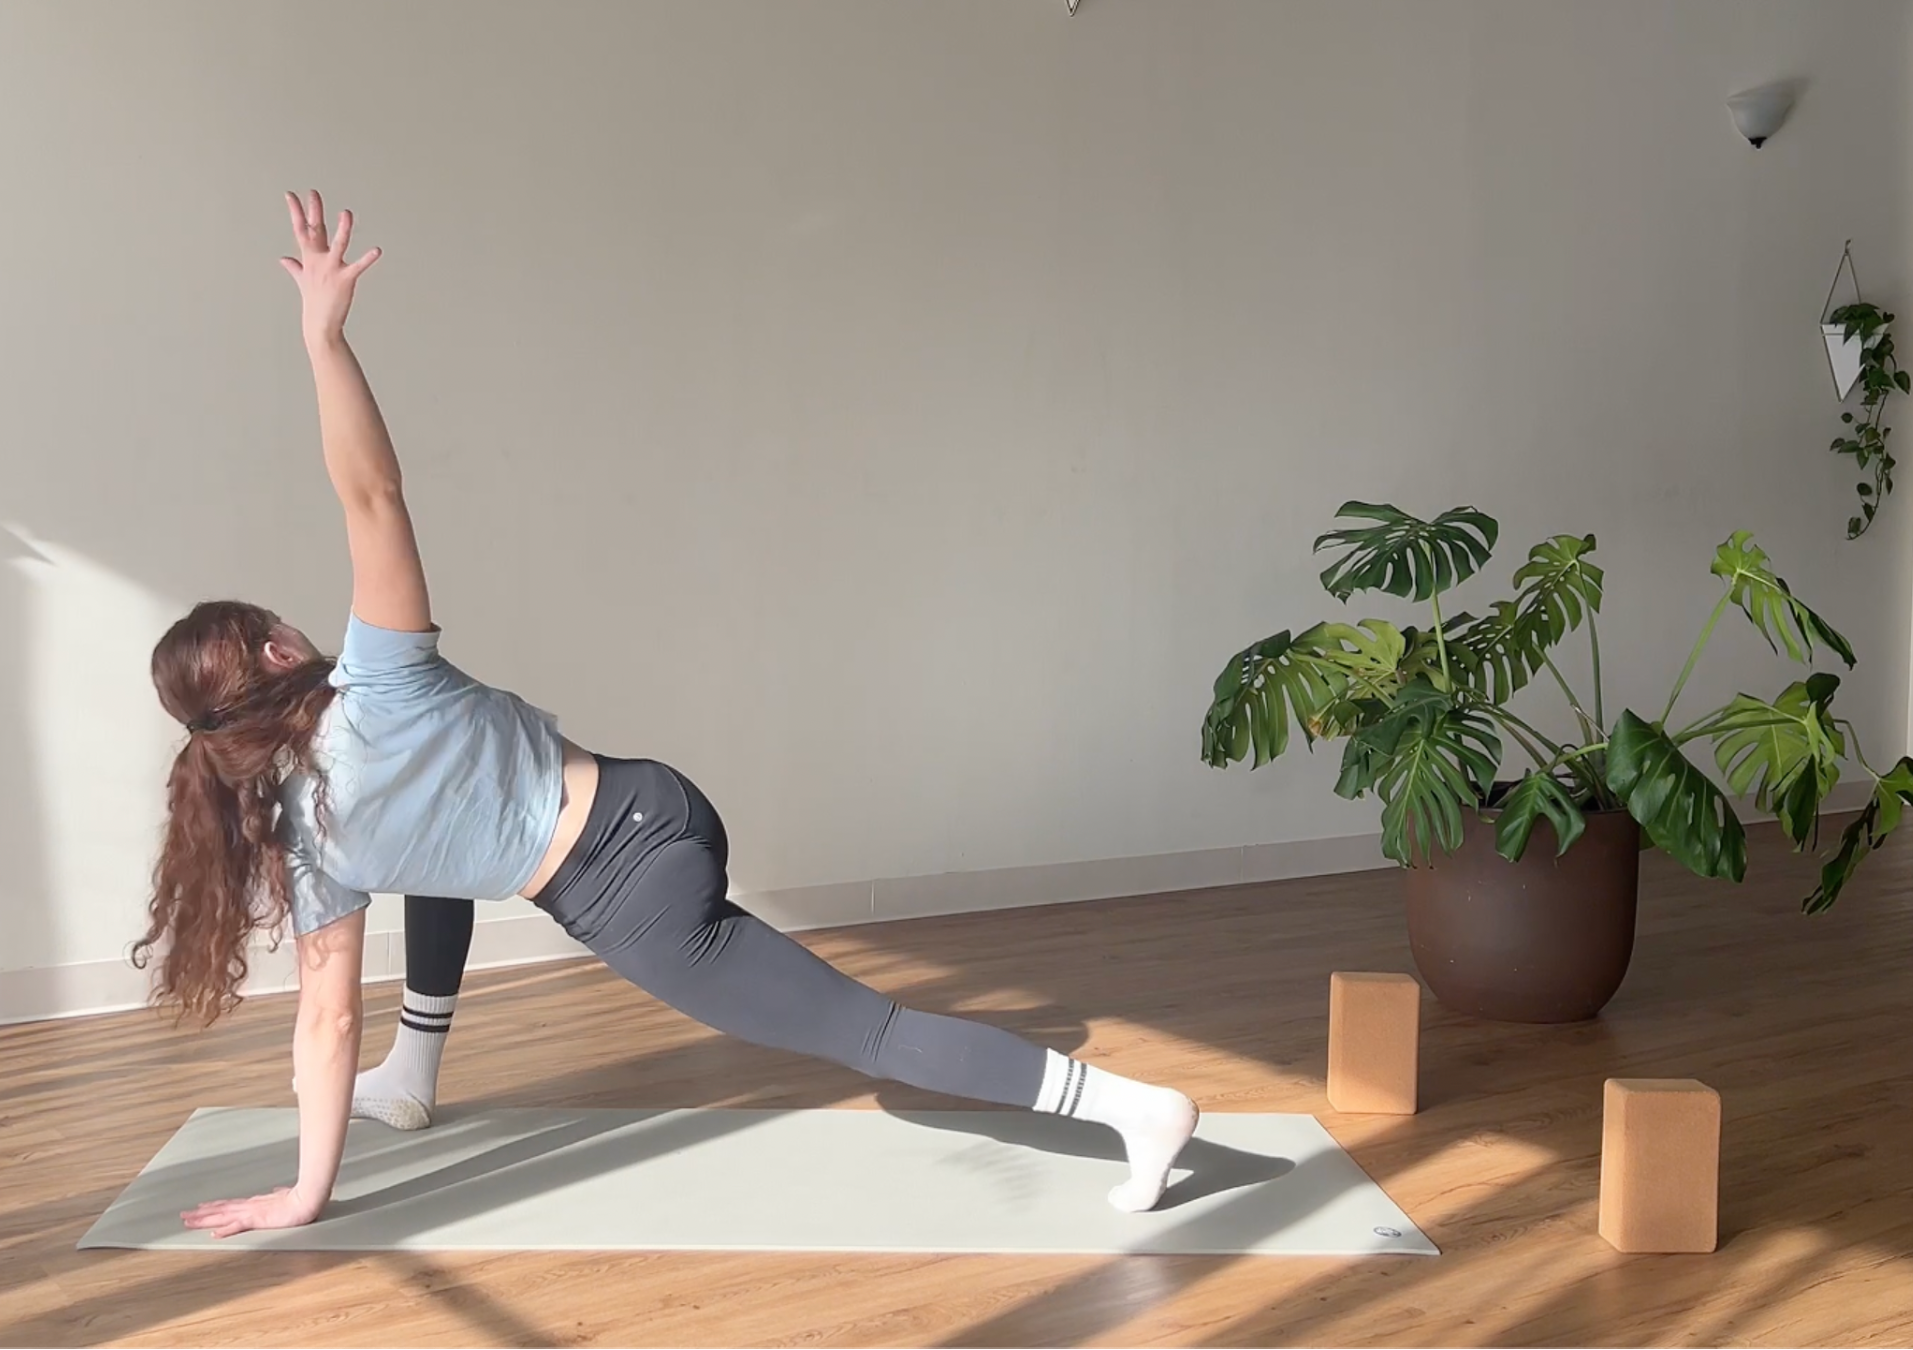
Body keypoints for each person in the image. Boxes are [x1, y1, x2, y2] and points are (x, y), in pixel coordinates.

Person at [139, 190, 1201, 1240]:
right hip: (652, 803)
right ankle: (414, 1073)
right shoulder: (381, 679)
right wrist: (325, 342)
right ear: (278, 653)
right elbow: (372, 495)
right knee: (436, 860)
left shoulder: (309, 844)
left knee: (866, 1035)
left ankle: (1137, 1112)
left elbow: (324, 1023)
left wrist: (303, 1195)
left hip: (630, 893)